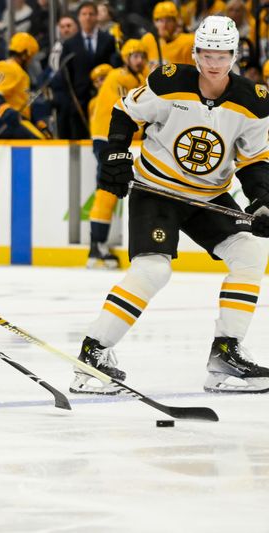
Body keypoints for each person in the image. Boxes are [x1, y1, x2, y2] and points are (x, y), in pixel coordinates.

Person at [72, 16, 269, 395]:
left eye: (222, 54)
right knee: (152, 270)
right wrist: (114, 154)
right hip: (157, 190)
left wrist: (263, 201)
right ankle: (92, 356)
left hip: (209, 197)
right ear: (195, 53)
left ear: (235, 55)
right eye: (207, 53)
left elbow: (254, 161)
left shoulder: (254, 103)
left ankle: (225, 357)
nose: (214, 63)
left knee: (249, 253)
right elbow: (124, 111)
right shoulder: (167, 83)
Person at [86, 40, 148, 269]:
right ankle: (96, 246)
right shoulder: (120, 77)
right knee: (107, 190)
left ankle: (97, 246)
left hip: (113, 140)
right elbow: (131, 111)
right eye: (135, 56)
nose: (139, 60)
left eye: (142, 55)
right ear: (125, 57)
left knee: (109, 189)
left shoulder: (135, 79)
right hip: (107, 139)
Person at [57, 1, 118, 139]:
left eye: (91, 14)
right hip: (79, 102)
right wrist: (71, 101)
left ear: (97, 16)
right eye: (84, 14)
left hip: (103, 97)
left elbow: (114, 67)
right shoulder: (70, 44)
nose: (88, 17)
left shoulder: (108, 40)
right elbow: (66, 73)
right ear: (79, 17)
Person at [0, 32, 48, 140]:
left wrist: (37, 122)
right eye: (31, 57)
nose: (31, 61)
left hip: (15, 120)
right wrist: (4, 109)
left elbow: (23, 103)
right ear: (25, 54)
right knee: (40, 142)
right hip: (0, 122)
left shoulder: (19, 72)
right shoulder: (7, 68)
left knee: (44, 139)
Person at [141, 2, 195, 70]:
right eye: (160, 21)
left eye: (169, 20)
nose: (164, 25)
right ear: (154, 23)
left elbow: (194, 73)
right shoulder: (147, 40)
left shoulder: (188, 42)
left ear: (176, 22)